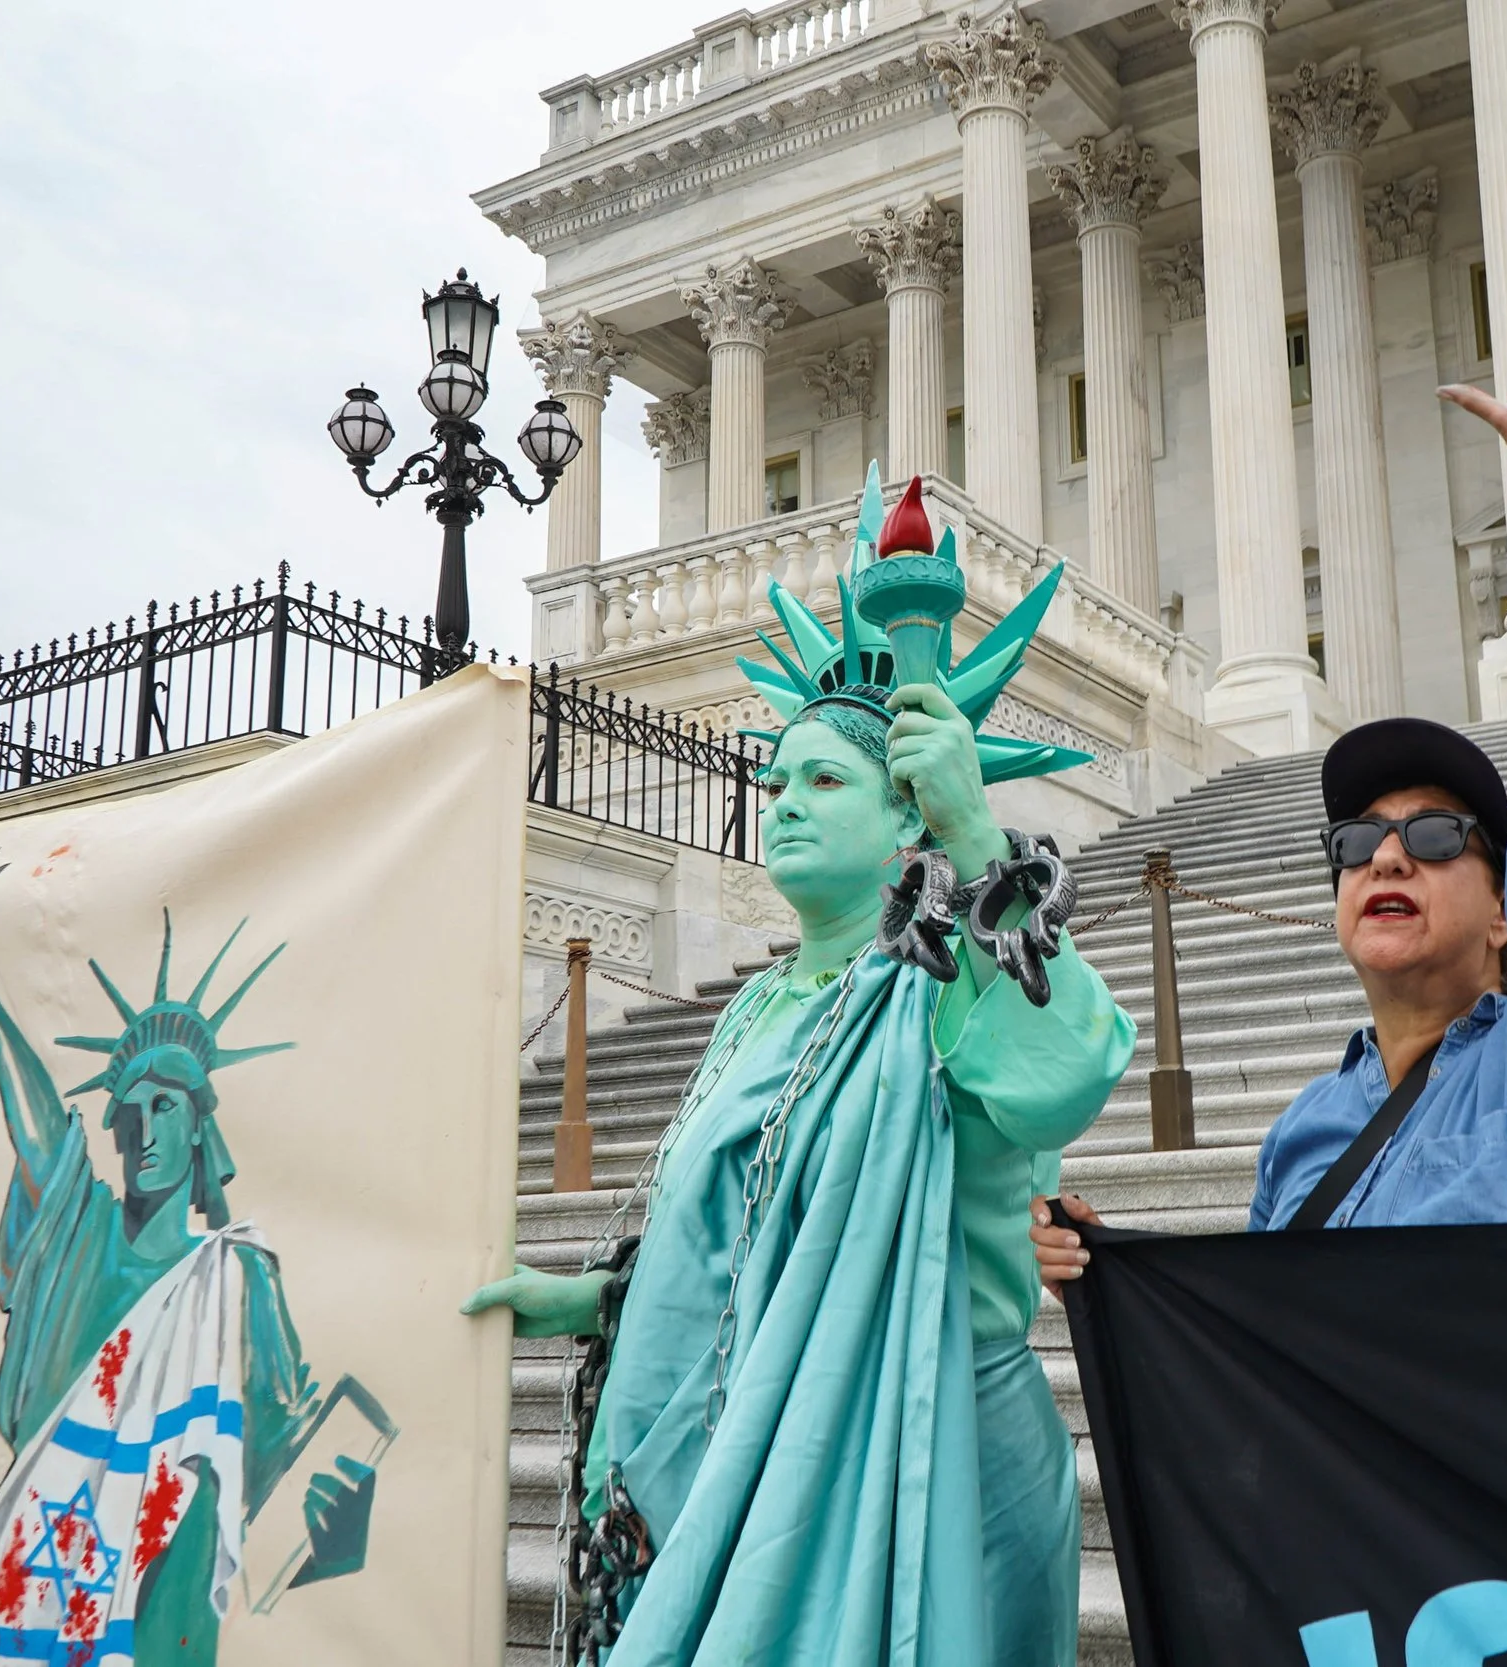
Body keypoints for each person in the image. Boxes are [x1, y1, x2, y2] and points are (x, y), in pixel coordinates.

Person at [465, 475, 1135, 1667]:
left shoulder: (953, 974)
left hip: (937, 1448)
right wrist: (599, 1299)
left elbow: (1066, 1070)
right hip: (742, 1454)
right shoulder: (758, 1003)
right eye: (777, 780)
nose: (781, 805)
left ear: (907, 810)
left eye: (824, 781)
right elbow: (727, 1226)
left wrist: (978, 838)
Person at [1034, 337, 1507, 1273]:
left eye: (1431, 834)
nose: (1386, 858)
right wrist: (1119, 1290)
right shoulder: (1308, 1130)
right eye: (1359, 839)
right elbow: (1275, 1357)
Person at [0, 867, 385, 1667]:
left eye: (166, 1107)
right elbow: (41, 1128)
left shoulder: (238, 1277)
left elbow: (282, 1461)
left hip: (170, 1616)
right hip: (44, 1583)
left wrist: (338, 1524)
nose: (143, 1130)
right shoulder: (82, 1242)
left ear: (201, 1128)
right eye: (129, 1113)